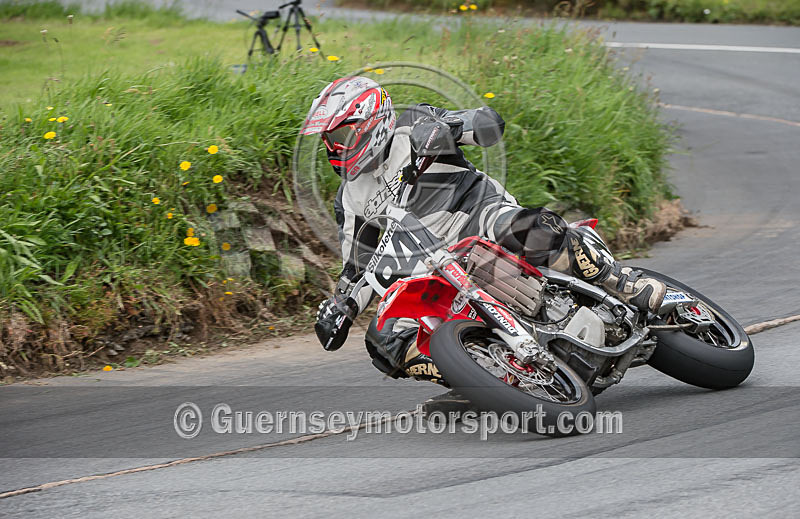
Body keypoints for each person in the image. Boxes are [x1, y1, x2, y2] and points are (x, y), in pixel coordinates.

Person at [301, 76, 666, 382]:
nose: (336, 150)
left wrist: (449, 128)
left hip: (479, 215)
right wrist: (341, 307)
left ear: (372, 121)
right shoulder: (349, 198)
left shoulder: (414, 123)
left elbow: (489, 122)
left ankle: (619, 281)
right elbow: (358, 263)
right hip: (431, 263)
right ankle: (477, 374)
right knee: (383, 340)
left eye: (342, 138)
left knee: (530, 229)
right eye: (330, 143)